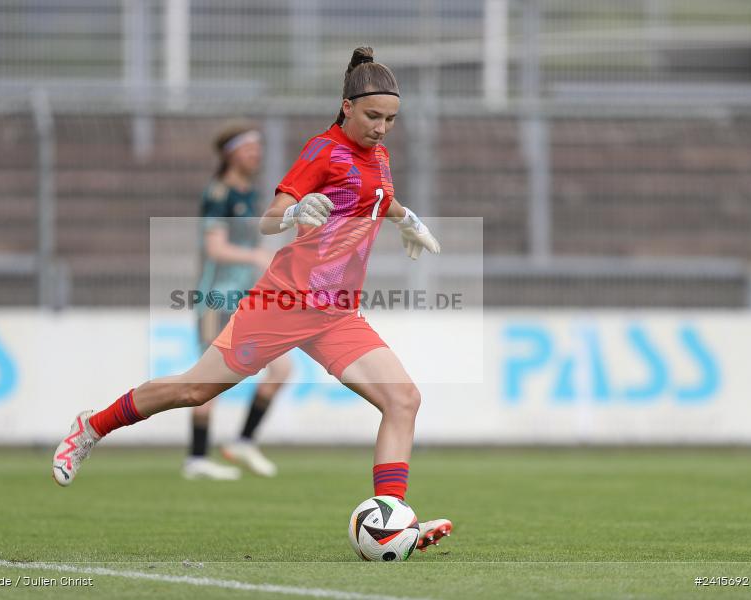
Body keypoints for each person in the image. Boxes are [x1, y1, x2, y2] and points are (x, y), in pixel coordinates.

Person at [53, 47, 452, 552]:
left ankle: (392, 521)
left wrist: (407, 220)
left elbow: (376, 195)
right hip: (284, 303)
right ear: (346, 107)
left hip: (335, 313)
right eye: (373, 116)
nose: (382, 127)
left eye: (391, 119)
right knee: (194, 390)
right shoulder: (321, 150)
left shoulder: (378, 154)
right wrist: (296, 210)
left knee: (403, 399)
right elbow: (268, 219)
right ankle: (91, 427)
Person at [184, 121, 291, 480]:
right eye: (249, 148)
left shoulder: (250, 193)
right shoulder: (219, 194)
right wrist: (255, 258)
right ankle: (197, 458)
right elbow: (215, 248)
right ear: (232, 153)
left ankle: (243, 440)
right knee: (208, 381)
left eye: (258, 147)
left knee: (282, 369)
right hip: (216, 300)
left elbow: (253, 245)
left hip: (246, 300)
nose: (256, 153)